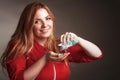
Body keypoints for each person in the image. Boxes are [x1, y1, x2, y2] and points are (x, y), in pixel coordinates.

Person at [0, 1, 103, 80]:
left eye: (48, 18)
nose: (45, 25)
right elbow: (18, 78)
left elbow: (96, 54)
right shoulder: (18, 46)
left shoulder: (60, 45)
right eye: (37, 21)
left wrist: (78, 39)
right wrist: (45, 59)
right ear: (28, 25)